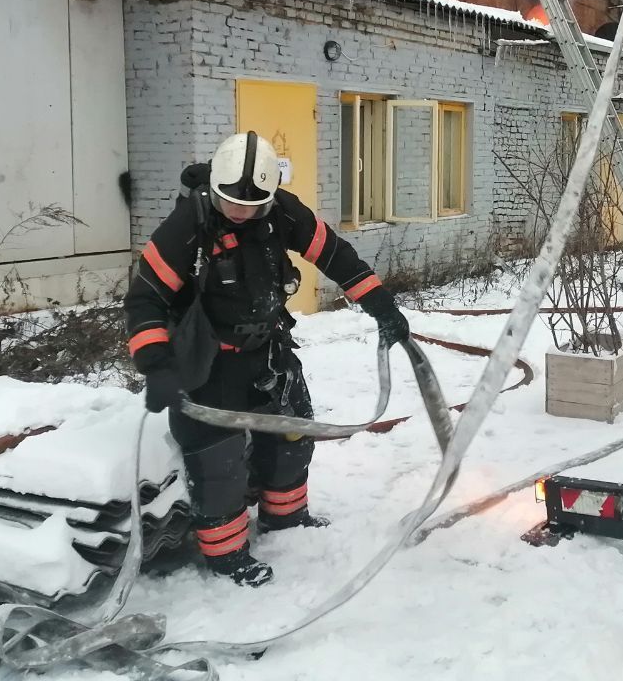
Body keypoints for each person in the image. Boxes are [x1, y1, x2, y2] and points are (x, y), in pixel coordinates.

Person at [124, 132, 410, 587]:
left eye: (253, 206)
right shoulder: (186, 226)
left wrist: (381, 306)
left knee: (292, 436)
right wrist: (156, 366)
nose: (241, 213)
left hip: (270, 353)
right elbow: (145, 302)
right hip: (211, 363)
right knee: (218, 463)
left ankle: (286, 519)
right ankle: (226, 556)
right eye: (233, 204)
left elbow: (334, 254)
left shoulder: (281, 212)